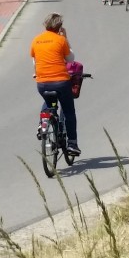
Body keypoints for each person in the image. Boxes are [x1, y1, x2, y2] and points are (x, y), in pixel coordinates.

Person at [31, 13, 80, 155]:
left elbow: (35, 61)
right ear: (59, 27)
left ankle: (42, 124)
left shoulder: (36, 40)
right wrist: (65, 38)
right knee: (69, 111)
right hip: (61, 83)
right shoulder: (60, 40)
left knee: (49, 101)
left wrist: (38, 73)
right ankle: (72, 144)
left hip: (42, 84)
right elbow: (70, 59)